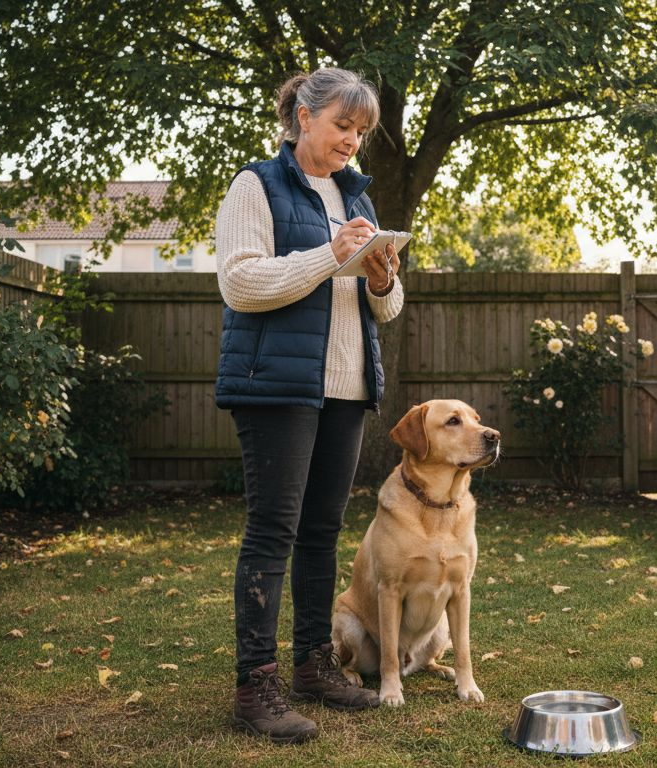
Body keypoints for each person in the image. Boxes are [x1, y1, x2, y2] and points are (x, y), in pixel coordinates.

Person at [213, 67, 404, 745]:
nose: (353, 140)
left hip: (346, 387)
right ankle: (254, 685)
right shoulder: (256, 185)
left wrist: (383, 278)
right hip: (277, 386)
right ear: (303, 117)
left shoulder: (358, 198)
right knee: (274, 532)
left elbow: (384, 307)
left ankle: (314, 666)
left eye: (361, 130)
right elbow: (241, 283)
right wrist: (330, 254)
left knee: (322, 531)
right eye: (342, 125)